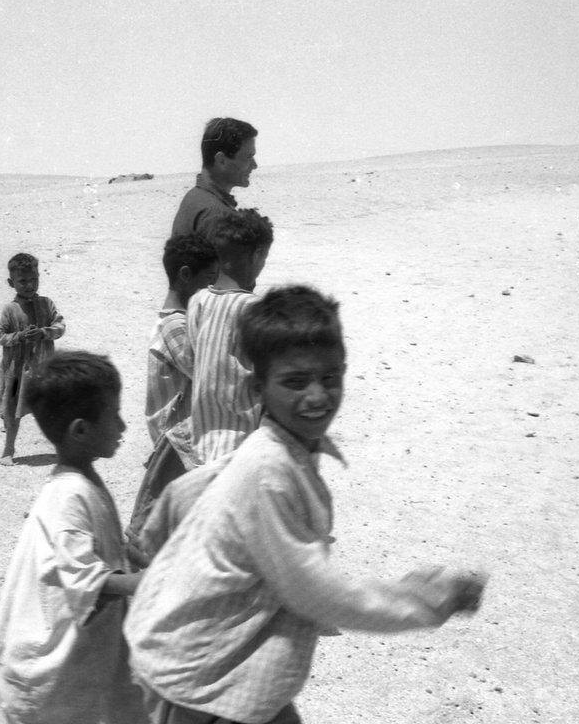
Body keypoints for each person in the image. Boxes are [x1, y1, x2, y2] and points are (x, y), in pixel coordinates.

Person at [124, 285, 487, 724]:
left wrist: (158, 533)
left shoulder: (272, 451)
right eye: (295, 382)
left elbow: (193, 489)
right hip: (206, 684)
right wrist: (421, 603)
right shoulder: (269, 471)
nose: (316, 397)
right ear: (257, 386)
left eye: (330, 378)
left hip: (238, 670)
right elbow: (314, 591)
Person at [0, 351, 147, 724]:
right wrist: (145, 582)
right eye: (115, 416)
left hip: (75, 669)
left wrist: (131, 554)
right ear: (80, 430)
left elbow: (90, 546)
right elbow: (82, 574)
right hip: (49, 681)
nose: (124, 426)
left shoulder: (80, 479)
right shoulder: (68, 494)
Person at [126, 233, 219, 563]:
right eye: (209, 280)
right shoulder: (175, 327)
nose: (212, 291)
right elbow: (208, 374)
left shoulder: (177, 322)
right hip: (176, 439)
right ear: (185, 275)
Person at [188, 208, 274, 465]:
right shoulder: (254, 309)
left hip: (201, 449)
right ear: (257, 255)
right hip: (243, 451)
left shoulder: (197, 302)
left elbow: (193, 363)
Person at [0, 253, 65, 465]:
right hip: (16, 373)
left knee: (51, 408)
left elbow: (60, 327)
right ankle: (8, 449)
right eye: (23, 281)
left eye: (34, 279)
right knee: (12, 411)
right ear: (11, 283)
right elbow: (0, 336)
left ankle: (62, 448)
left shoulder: (47, 304)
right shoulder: (10, 310)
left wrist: (44, 332)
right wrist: (19, 336)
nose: (29, 285)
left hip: (43, 369)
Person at [172, 117, 258, 240]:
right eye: (249, 157)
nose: (254, 165)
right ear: (222, 161)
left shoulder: (195, 196)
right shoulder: (217, 215)